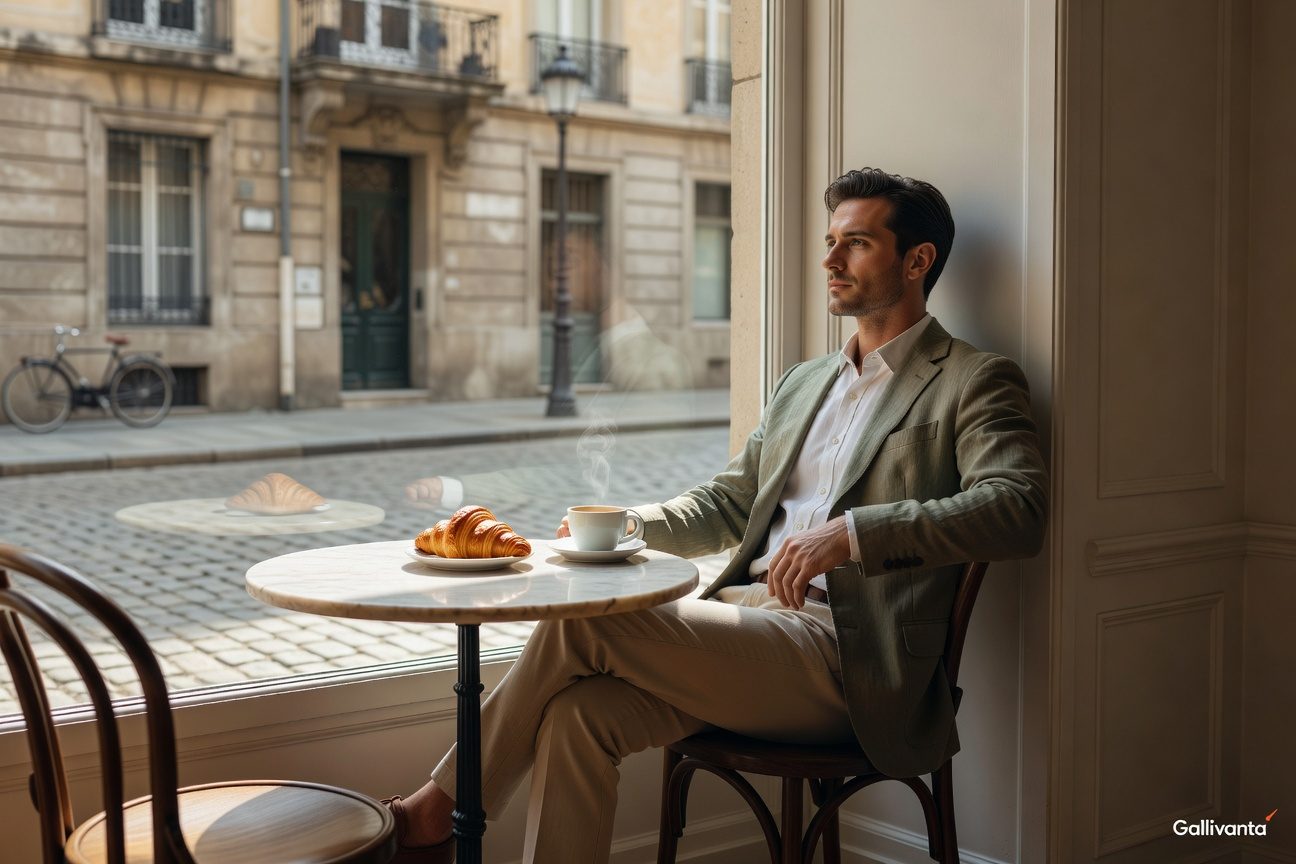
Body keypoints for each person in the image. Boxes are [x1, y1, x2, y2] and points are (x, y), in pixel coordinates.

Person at [382, 168, 1048, 864]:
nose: (829, 260)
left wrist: (852, 535)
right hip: (749, 625)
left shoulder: (974, 378)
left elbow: (1018, 508)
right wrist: (625, 526)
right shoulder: (804, 382)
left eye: (855, 243)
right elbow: (729, 501)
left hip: (849, 659)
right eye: (829, 241)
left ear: (917, 261)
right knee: (579, 718)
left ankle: (435, 814)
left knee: (580, 622)